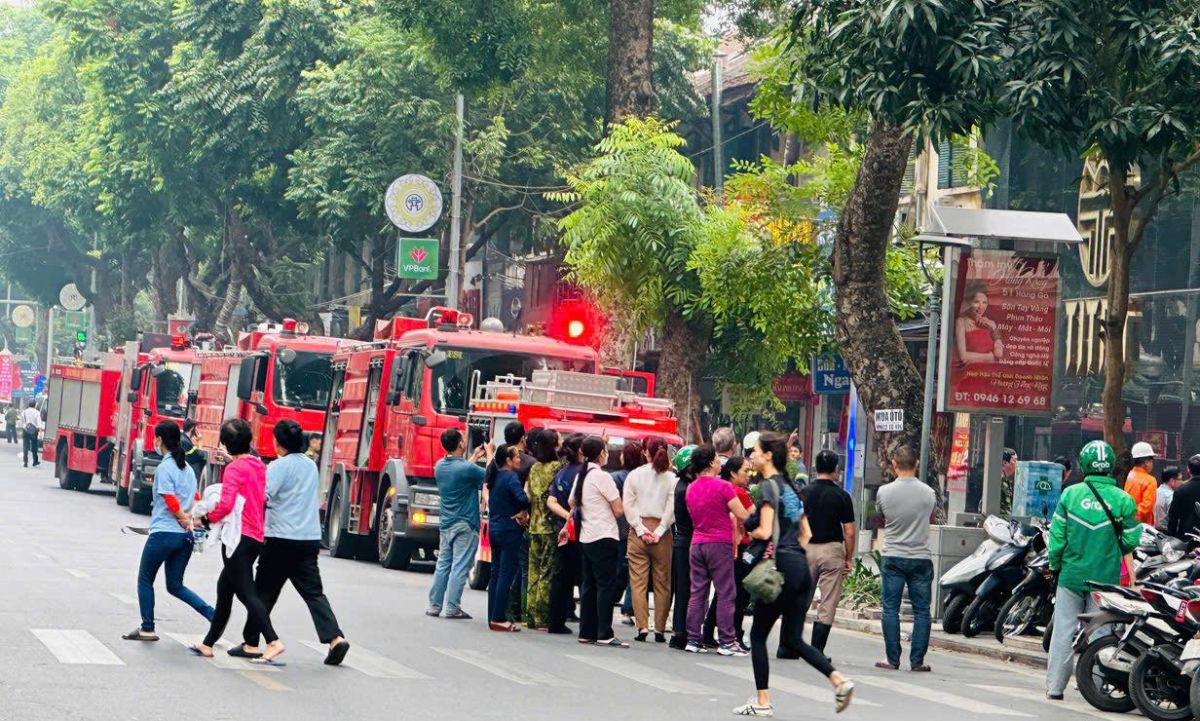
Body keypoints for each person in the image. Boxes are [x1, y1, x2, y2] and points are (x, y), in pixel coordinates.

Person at [735, 431, 854, 717]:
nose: (751, 455)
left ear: (768, 456)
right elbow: (806, 534)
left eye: (756, 451)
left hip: (784, 566)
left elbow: (764, 531)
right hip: (800, 566)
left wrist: (748, 527)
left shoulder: (767, 488)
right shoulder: (790, 488)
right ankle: (839, 680)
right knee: (794, 639)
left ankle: (763, 702)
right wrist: (791, 555)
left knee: (759, 636)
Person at [229, 420, 348, 664]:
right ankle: (335, 638)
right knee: (313, 593)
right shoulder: (310, 466)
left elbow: (262, 497)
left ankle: (251, 642)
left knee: (263, 591)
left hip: (280, 538)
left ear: (278, 443)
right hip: (308, 538)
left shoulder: (278, 467)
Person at [1046, 440, 1140, 700]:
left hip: (1071, 575)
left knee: (1064, 630)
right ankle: (1096, 688)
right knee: (1101, 633)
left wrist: (1055, 566)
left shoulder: (1070, 495)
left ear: (1083, 464)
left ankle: (1055, 687)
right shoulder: (1123, 499)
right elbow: (1131, 540)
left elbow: (1057, 540)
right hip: (1105, 579)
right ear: (1109, 465)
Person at [192, 419, 283, 665]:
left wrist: (207, 518)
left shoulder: (234, 469)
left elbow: (226, 504)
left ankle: (273, 640)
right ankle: (207, 643)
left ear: (226, 444)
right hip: (255, 536)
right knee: (225, 588)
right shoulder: (258, 465)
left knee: (246, 593)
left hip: (238, 538)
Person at [122, 421, 213, 642]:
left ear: (160, 440)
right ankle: (212, 614)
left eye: (155, 438)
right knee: (175, 585)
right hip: (185, 538)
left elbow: (170, 499)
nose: (154, 442)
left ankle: (148, 628)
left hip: (164, 534)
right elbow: (195, 499)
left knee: (145, 579)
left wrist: (182, 519)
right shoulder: (188, 469)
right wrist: (190, 522)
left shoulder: (164, 467)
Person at [685, 445, 751, 656]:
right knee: (726, 592)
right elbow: (743, 514)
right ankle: (727, 641)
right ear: (712, 463)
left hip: (697, 543)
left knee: (697, 593)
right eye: (716, 460)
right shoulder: (723, 487)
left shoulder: (691, 488)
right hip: (719, 543)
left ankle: (693, 639)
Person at [875, 445, 936, 673]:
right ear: (917, 464)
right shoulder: (928, 493)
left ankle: (892, 659)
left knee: (890, 607)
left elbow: (882, 515)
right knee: (922, 610)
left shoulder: (884, 492)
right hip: (920, 556)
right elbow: (929, 515)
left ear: (894, 464)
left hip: (893, 555)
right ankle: (917, 660)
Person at [564, 436, 627, 647]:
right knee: (606, 586)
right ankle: (604, 632)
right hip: (604, 535)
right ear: (601, 453)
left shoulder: (583, 474)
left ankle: (587, 631)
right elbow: (618, 510)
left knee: (589, 585)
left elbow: (572, 501)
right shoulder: (602, 477)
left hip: (587, 537)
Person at [427, 428, 492, 620]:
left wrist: (473, 456)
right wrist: (489, 454)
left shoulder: (440, 466)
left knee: (443, 565)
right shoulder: (466, 469)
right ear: (460, 444)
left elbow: (462, 473)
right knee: (460, 566)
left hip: (446, 523)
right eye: (463, 439)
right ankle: (453, 607)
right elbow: (490, 475)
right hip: (465, 524)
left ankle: (434, 605)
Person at [796, 449, 856, 658]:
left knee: (801, 598)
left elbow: (796, 523)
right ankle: (817, 650)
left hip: (806, 549)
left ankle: (790, 643)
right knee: (828, 601)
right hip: (832, 550)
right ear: (836, 470)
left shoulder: (804, 493)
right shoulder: (842, 496)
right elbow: (849, 531)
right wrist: (849, 557)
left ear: (815, 468)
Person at [624, 436, 675, 643]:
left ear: (645, 452)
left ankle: (642, 627)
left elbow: (628, 505)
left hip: (638, 532)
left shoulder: (635, 476)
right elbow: (672, 509)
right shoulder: (671, 478)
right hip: (662, 533)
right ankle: (660, 629)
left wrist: (639, 528)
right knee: (663, 583)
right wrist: (660, 529)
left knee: (638, 581)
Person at [705, 456, 755, 648]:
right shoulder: (739, 493)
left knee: (721, 591)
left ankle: (708, 632)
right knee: (739, 593)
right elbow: (754, 515)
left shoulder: (717, 488)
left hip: (719, 543)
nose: (748, 475)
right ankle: (735, 635)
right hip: (740, 545)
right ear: (733, 473)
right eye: (745, 471)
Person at [486, 443, 531, 632]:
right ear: (508, 460)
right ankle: (498, 618)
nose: (520, 459)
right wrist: (527, 496)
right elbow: (522, 499)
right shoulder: (511, 477)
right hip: (509, 530)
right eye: (516, 457)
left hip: (495, 528)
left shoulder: (494, 476)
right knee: (506, 574)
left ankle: (492, 615)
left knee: (495, 574)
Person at [525, 429, 564, 630]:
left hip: (534, 526)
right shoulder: (558, 467)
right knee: (546, 573)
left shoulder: (534, 469)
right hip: (549, 528)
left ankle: (530, 615)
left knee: (533, 571)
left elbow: (528, 495)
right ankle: (542, 616)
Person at [546, 433, 585, 632]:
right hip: (580, 531)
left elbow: (551, 501)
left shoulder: (562, 472)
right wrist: (572, 517)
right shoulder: (585, 473)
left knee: (561, 576)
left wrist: (565, 517)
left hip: (561, 530)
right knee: (584, 578)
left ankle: (555, 620)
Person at [503, 422, 535, 625]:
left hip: (502, 519)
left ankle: (503, 610)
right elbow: (528, 495)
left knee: (504, 568)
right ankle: (521, 612)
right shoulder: (531, 463)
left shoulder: (498, 460)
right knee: (523, 568)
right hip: (522, 521)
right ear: (523, 438)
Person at [611, 440, 642, 629]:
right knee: (635, 569)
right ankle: (629, 607)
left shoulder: (615, 478)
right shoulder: (643, 478)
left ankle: (613, 596)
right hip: (638, 526)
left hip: (618, 526)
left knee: (618, 566)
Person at [669, 445, 697, 650]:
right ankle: (681, 632)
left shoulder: (683, 485)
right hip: (686, 540)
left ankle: (681, 631)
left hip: (682, 541)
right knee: (685, 589)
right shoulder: (687, 488)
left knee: (684, 589)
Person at [954, 281, 1004, 365]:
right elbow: (963, 356)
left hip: (991, 371)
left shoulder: (990, 323)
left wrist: (994, 327)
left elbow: (999, 354)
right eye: (976, 302)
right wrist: (988, 357)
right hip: (970, 372)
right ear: (969, 302)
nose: (981, 307)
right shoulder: (961, 322)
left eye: (984, 303)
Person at [1169, 455, 1200, 547]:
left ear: (1188, 470)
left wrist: (1172, 538)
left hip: (1186, 538)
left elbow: (1173, 518)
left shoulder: (1181, 490)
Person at [1125, 441, 1158, 526]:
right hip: (1143, 526)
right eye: (1151, 461)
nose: (1152, 464)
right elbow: (1146, 506)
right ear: (1147, 462)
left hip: (1128, 521)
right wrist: (1132, 519)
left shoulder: (1130, 474)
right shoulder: (1150, 480)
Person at [1155, 466, 1182, 533]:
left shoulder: (1155, 491)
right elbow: (1174, 518)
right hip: (1166, 533)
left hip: (1153, 530)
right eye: (1180, 479)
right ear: (1172, 481)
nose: (1182, 482)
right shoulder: (1171, 496)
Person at [22, 399, 41, 467]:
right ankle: (35, 461)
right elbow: (39, 424)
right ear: (35, 405)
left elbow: (23, 421)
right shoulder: (37, 412)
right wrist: (40, 432)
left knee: (25, 446)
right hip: (34, 431)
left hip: (26, 430)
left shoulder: (24, 412)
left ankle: (25, 462)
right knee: (34, 447)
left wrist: (25, 427)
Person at [999, 448, 1018, 515]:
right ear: (1005, 463)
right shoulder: (997, 481)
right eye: (1014, 461)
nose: (1016, 465)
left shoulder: (1007, 481)